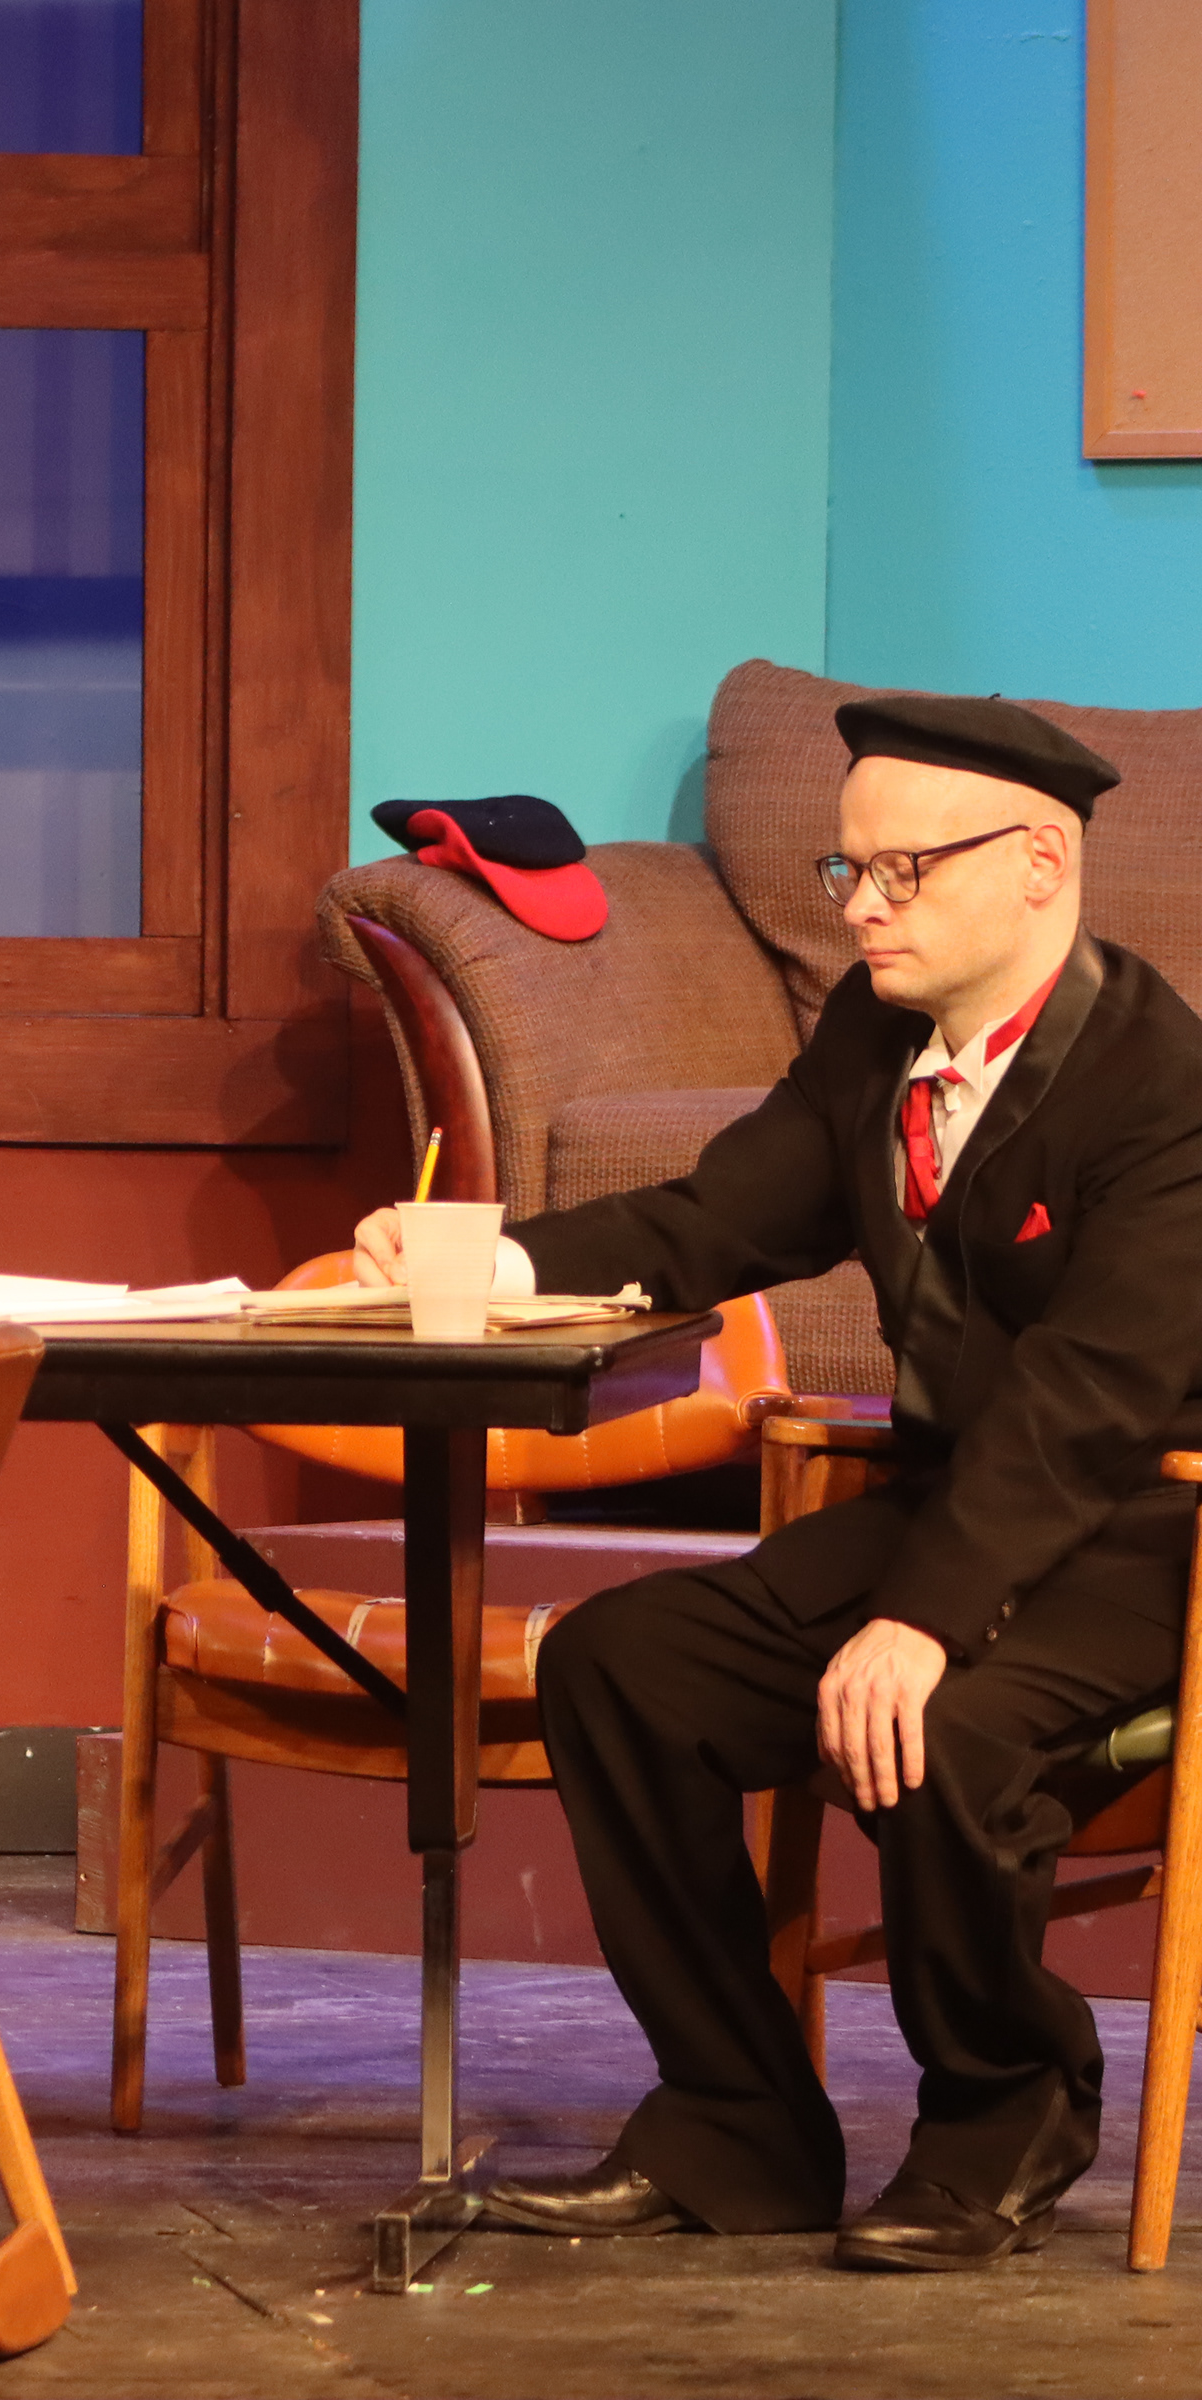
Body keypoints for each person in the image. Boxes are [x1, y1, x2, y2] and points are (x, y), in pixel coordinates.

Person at [348, 695, 1202, 2269]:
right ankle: (739, 2123)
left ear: (1040, 862)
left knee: (945, 1727)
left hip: (1147, 1529)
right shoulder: (878, 1039)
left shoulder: (1166, 1086)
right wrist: (491, 1257)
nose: (860, 907)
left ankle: (1003, 2118)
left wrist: (921, 1621)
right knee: (625, 1667)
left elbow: (1085, 1406)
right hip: (952, 1503)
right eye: (846, 869)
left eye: (903, 871)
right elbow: (717, 1219)